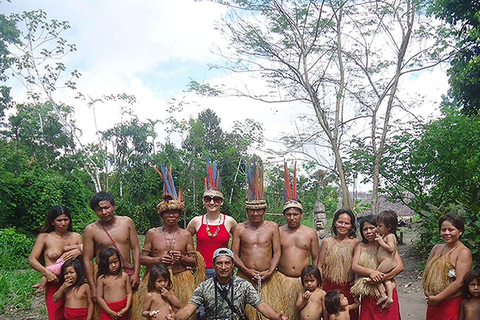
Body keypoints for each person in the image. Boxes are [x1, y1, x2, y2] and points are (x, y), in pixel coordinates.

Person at [140, 165, 205, 315]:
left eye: (175, 212)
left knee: (181, 314)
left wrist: (181, 258)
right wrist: (159, 260)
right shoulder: (152, 233)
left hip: (182, 279)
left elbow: (195, 262)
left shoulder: (186, 235)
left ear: (179, 215)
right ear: (161, 215)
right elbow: (142, 258)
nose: (171, 215)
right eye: (167, 212)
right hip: (156, 281)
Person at [165, 248, 288, 320]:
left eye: (227, 263)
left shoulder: (244, 286)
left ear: (233, 265)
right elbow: (188, 309)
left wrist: (276, 317)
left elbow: (262, 306)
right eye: (219, 263)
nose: (223, 267)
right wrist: (175, 318)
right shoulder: (204, 286)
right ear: (213, 265)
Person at [232, 162, 282, 320]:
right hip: (244, 277)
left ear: (264, 210)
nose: (255, 213)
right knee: (242, 314)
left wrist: (270, 271)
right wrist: (246, 270)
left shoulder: (273, 227)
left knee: (266, 314)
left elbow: (277, 252)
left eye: (259, 209)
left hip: (267, 278)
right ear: (247, 210)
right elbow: (233, 253)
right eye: (252, 210)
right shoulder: (239, 228)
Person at [83, 191, 140, 304]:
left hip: (126, 273)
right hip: (104, 276)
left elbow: (135, 248)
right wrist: (93, 286)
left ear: (113, 206)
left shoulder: (127, 222)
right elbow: (87, 259)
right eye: (99, 209)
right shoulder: (91, 230)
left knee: (129, 309)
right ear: (94, 211)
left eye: (107, 207)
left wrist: (136, 273)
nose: (104, 212)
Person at [276, 161, 317, 320]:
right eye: (288, 214)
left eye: (295, 214)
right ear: (284, 215)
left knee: (304, 315)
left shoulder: (310, 233)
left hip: (304, 282)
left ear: (302, 214)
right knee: (283, 314)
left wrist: (316, 282)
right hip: (282, 280)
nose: (292, 217)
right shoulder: (278, 231)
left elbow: (316, 259)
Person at [29, 205, 83, 320]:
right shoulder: (45, 237)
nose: (63, 223)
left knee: (76, 315)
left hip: (74, 284)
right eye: (59, 220)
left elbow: (86, 259)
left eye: (66, 219)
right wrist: (47, 273)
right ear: (52, 222)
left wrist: (79, 251)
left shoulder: (77, 237)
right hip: (54, 283)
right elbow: (32, 259)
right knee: (55, 316)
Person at [186, 156, 236, 279]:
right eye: (208, 199)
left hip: (224, 271)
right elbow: (184, 239)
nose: (212, 202)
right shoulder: (196, 221)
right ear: (203, 201)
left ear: (222, 201)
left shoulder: (229, 221)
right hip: (201, 270)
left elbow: (240, 240)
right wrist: (188, 259)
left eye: (216, 199)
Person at [351, 215, 404, 320]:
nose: (369, 231)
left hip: (386, 293)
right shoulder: (361, 246)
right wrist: (371, 273)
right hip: (368, 295)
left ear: (379, 227)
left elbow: (399, 267)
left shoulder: (386, 245)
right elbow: (354, 267)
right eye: (365, 229)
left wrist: (381, 278)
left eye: (372, 227)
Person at [422, 214, 472, 319]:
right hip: (433, 301)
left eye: (451, 230)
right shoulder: (436, 248)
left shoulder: (463, 252)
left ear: (460, 231)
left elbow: (460, 282)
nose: (447, 233)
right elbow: (427, 273)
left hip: (451, 302)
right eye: (443, 230)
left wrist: (438, 298)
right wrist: (428, 292)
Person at [317, 209, 359, 320]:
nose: (343, 225)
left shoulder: (355, 243)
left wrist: (356, 284)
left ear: (351, 226)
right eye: (340, 222)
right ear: (335, 223)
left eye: (347, 223)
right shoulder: (327, 242)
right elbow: (319, 266)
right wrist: (319, 286)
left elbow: (358, 265)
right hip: (329, 288)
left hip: (348, 289)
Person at [96, 248, 132, 320]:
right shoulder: (102, 279)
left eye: (115, 262)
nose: (113, 265)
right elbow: (99, 297)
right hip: (108, 311)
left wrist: (126, 308)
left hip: (122, 311)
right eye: (110, 263)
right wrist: (109, 312)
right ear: (104, 264)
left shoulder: (124, 276)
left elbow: (129, 292)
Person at [374, 210, 398, 308]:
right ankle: (389, 297)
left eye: (380, 226)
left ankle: (384, 295)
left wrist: (381, 242)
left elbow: (391, 249)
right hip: (386, 262)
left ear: (389, 227)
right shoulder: (385, 235)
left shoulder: (390, 236)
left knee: (376, 277)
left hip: (388, 262)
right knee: (386, 280)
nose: (377, 228)